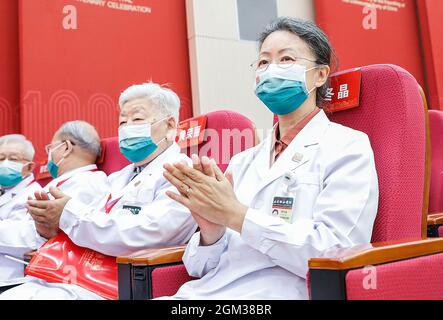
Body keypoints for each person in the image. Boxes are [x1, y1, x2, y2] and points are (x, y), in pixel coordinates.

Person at [162, 17, 379, 299]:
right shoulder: (243, 161)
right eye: (263, 62)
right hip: (205, 293)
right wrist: (211, 230)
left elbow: (334, 254)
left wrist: (236, 215)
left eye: (286, 59)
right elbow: (200, 268)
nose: (271, 70)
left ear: (320, 75)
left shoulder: (347, 147)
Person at [0, 82, 197, 300]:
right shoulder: (119, 177)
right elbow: (85, 220)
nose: (126, 128)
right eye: (122, 121)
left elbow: (149, 234)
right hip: (74, 273)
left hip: (117, 281)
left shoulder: (182, 173)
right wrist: (49, 224)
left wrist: (68, 213)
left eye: (137, 119)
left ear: (170, 126)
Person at [0, 135, 42, 288]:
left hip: (11, 278)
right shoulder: (4, 190)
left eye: (13, 159)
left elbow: (23, 237)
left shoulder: (34, 195)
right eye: (0, 158)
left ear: (30, 167)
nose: (4, 163)